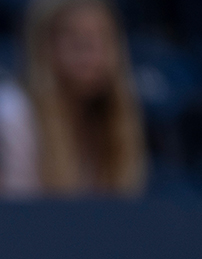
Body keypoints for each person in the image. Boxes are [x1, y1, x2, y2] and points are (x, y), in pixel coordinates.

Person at [20, 0, 147, 195]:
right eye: (73, 37)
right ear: (43, 46)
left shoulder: (113, 118)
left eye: (99, 37)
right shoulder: (15, 113)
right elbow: (15, 209)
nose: (87, 50)